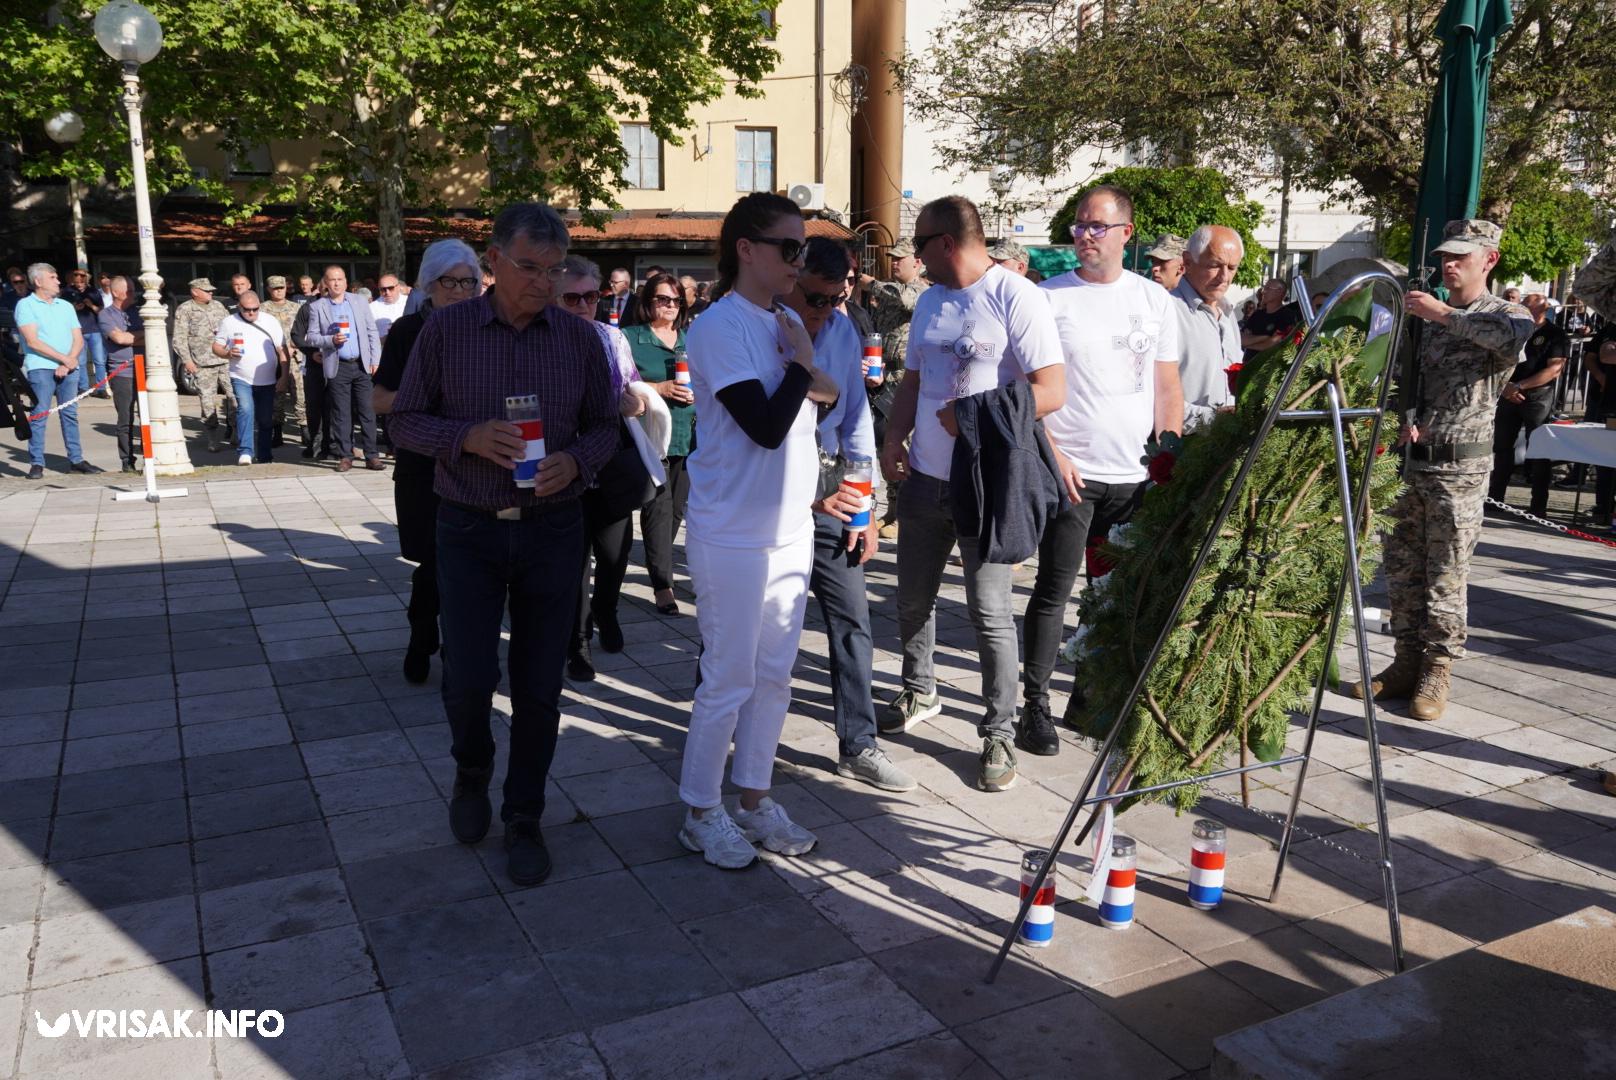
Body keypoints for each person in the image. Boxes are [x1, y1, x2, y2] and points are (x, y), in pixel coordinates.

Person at [389, 203, 619, 885]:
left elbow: (605, 427)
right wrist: (462, 436)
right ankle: (471, 771)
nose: (544, 284)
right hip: (467, 528)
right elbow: (403, 421)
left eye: (554, 271)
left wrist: (577, 461)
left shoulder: (579, 341)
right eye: (530, 268)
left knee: (539, 685)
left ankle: (524, 816)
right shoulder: (446, 331)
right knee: (467, 678)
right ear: (494, 261)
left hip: (553, 530)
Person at [878, 195, 1065, 793]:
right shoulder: (931, 299)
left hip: (986, 484)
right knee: (912, 600)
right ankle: (920, 689)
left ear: (948, 243)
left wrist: (975, 418)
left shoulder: (1017, 296)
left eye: (919, 244)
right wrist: (894, 435)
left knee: (990, 615)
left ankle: (999, 732)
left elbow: (1051, 391)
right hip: (925, 479)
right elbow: (913, 379)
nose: (912, 256)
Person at [677, 192, 841, 869]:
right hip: (733, 531)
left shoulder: (779, 321)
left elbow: (830, 392)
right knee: (730, 676)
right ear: (747, 249)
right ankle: (700, 809)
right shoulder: (719, 327)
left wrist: (805, 362)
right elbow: (766, 428)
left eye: (802, 250)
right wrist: (801, 363)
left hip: (787, 530)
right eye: (789, 249)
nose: (799, 263)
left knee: (775, 676)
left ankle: (753, 798)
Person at [1347, 219, 1533, 721]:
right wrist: (1405, 420)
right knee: (1404, 569)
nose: (1449, 265)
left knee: (1446, 575)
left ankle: (1437, 670)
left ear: (1488, 260)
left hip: (1462, 470)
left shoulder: (1506, 314)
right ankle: (1405, 661)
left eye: (1461, 257)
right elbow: (1407, 379)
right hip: (1414, 464)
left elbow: (1512, 340)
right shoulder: (1424, 318)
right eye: (1445, 257)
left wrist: (1443, 314)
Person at [1021, 184, 1184, 755]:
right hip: (1070, 474)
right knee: (1053, 590)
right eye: (1079, 226)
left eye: (1096, 227)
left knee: (1112, 596)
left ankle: (1091, 700)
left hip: (1133, 478)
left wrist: (1170, 457)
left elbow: (1166, 386)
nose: (1084, 236)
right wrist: (1054, 455)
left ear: (1125, 234)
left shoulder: (1154, 300)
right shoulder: (1048, 299)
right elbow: (1027, 393)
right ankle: (1033, 706)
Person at [781, 237, 917, 792]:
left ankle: (859, 744)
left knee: (852, 621)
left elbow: (857, 421)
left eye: (834, 299)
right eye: (815, 298)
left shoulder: (842, 328)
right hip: (773, 492)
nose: (823, 311)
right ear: (791, 280)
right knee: (756, 625)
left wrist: (864, 510)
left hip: (836, 486)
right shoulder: (757, 327)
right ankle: (716, 728)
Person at [374, 239, 484, 685]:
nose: (460, 290)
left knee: (474, 570)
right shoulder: (407, 332)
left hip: (478, 466)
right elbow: (380, 399)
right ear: (429, 284)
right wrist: (429, 400)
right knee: (435, 565)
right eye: (450, 281)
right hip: (423, 467)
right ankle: (422, 641)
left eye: (469, 281)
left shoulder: (488, 330)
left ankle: (465, 654)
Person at [553, 255, 647, 682]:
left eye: (591, 296)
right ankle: (578, 641)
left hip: (609, 461)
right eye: (571, 297)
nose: (581, 304)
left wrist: (637, 402)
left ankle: (607, 610)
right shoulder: (543, 341)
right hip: (565, 467)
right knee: (573, 562)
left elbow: (633, 394)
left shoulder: (613, 338)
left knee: (613, 554)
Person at [622, 273, 695, 616]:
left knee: (677, 508)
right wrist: (660, 389)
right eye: (663, 299)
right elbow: (620, 385)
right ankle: (663, 585)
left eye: (676, 301)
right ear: (648, 302)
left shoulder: (690, 339)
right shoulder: (631, 338)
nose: (670, 306)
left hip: (689, 434)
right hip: (649, 435)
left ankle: (659, 563)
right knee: (659, 508)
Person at [862, 237, 927, 534]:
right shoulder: (888, 292)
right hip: (883, 377)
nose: (895, 261)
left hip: (906, 379)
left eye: (901, 258)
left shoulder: (921, 290)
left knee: (906, 445)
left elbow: (906, 300)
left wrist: (871, 283)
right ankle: (893, 509)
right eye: (893, 257)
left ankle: (907, 514)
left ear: (917, 262)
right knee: (885, 444)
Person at [1487, 292, 1567, 517]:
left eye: (1527, 307)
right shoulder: (1515, 331)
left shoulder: (1554, 335)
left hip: (1537, 397)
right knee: (1502, 448)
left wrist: (1520, 386)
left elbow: (1554, 369)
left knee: (1540, 450)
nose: (1521, 311)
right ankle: (1495, 498)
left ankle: (1538, 505)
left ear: (1541, 310)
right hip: (1509, 394)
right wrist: (1506, 387)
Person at [16, 263, 98, 479]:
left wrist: (68, 362)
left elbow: (78, 338)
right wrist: (64, 359)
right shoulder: (26, 305)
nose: (59, 281)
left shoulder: (65, 306)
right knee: (39, 414)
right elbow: (33, 341)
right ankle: (36, 462)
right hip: (41, 367)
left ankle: (76, 459)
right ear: (38, 281)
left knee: (69, 414)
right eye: (53, 277)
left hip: (69, 365)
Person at [303, 265, 385, 472]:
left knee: (367, 411)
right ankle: (345, 455)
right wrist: (329, 339)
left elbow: (371, 331)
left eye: (340, 279)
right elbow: (311, 336)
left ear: (346, 282)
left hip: (362, 364)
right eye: (332, 279)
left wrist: (376, 359)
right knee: (341, 413)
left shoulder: (358, 301)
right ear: (326, 283)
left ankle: (372, 455)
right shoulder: (317, 306)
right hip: (337, 365)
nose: (337, 283)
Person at [1171, 225, 1243, 429]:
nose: (1224, 277)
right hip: (1180, 451)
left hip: (1224, 449)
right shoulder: (1167, 311)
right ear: (1187, 262)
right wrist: (1213, 418)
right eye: (1214, 265)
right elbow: (1154, 399)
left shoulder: (1228, 314)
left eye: (1232, 268)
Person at [212, 290, 288, 465]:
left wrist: (284, 376)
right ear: (239, 306)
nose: (251, 313)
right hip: (241, 376)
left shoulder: (270, 321)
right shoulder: (229, 322)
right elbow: (216, 346)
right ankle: (245, 451)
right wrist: (227, 353)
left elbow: (282, 350)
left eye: (255, 309)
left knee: (265, 418)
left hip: (267, 379)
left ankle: (264, 454)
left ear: (259, 306)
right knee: (245, 409)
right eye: (247, 309)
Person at [172, 277, 234, 453]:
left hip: (225, 359)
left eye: (211, 290)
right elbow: (179, 338)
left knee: (234, 397)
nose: (211, 293)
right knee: (208, 402)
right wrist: (187, 361)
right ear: (195, 291)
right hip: (202, 363)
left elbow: (230, 328)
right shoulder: (185, 309)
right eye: (207, 290)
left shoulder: (218, 306)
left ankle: (236, 433)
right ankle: (213, 438)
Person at [97, 276, 143, 473]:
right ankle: (127, 459)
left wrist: (129, 337)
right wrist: (138, 336)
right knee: (125, 418)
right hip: (122, 372)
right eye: (130, 291)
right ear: (116, 292)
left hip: (145, 369)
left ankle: (152, 455)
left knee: (152, 415)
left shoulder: (139, 312)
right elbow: (118, 338)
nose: (134, 294)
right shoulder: (105, 315)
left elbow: (154, 332)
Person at [262, 276, 304, 447]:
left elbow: (305, 331)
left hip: (295, 357)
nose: (279, 291)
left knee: (300, 395)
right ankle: (277, 432)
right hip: (272, 359)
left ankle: (305, 431)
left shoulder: (297, 307)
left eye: (281, 287)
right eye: (275, 288)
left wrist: (297, 345)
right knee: (275, 396)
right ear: (269, 289)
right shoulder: (262, 309)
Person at [61, 268, 106, 398]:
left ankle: (101, 388)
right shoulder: (67, 292)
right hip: (77, 331)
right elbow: (62, 312)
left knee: (99, 361)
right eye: (77, 279)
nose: (80, 282)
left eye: (82, 279)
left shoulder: (93, 291)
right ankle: (83, 388)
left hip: (94, 330)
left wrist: (91, 305)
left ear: (86, 279)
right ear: (73, 280)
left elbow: (101, 310)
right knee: (80, 361)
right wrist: (74, 308)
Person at [1241, 277, 1301, 361]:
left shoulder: (1287, 315)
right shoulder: (1257, 314)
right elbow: (1241, 338)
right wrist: (1264, 337)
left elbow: (1273, 344)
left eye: (1267, 288)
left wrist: (1249, 342)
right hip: (1247, 366)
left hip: (1268, 369)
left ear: (1279, 291)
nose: (1263, 291)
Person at [370, 273, 408, 340]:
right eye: (383, 289)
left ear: (398, 287)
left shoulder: (409, 302)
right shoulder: (371, 307)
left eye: (391, 288)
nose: (387, 292)